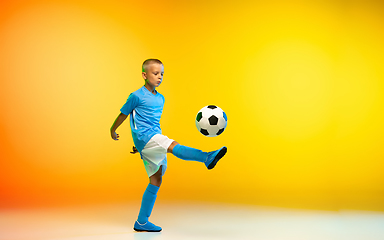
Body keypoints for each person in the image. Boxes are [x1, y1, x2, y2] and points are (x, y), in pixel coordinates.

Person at [110, 59, 227, 232]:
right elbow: (124, 114)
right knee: (173, 145)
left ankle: (141, 221)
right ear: (144, 75)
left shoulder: (161, 98)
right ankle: (206, 157)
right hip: (146, 137)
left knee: (156, 179)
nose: (159, 77)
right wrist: (113, 130)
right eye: (155, 73)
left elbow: (147, 120)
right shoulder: (136, 96)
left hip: (149, 140)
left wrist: (142, 146)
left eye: (162, 74)